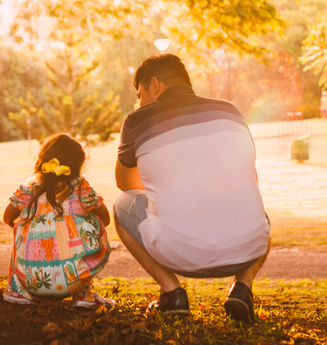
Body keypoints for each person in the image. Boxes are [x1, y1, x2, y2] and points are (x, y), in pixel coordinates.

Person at [113, 53, 270, 322]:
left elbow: (126, 183)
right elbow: (249, 177)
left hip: (179, 254)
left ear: (154, 85)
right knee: (260, 214)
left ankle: (172, 292)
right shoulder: (231, 111)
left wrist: (167, 182)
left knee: (120, 205)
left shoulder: (137, 120)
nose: (139, 101)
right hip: (248, 249)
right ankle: (242, 287)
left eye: (140, 93)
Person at [2, 133, 113, 309]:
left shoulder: (28, 188)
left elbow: (7, 217)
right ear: (78, 164)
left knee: (20, 225)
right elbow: (105, 218)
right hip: (74, 279)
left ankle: (17, 291)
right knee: (95, 217)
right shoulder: (81, 188)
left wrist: (27, 228)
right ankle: (83, 293)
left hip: (30, 280)